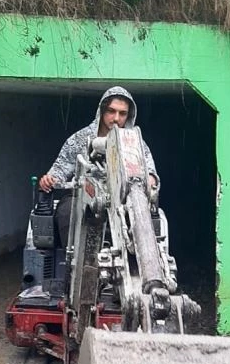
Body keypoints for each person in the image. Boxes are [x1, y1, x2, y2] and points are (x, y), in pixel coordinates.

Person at [39, 86, 159, 247]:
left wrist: (150, 179)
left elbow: (150, 171)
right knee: (67, 212)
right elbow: (60, 169)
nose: (116, 118)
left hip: (124, 200)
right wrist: (50, 179)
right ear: (102, 111)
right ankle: (74, 268)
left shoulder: (136, 144)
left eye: (122, 113)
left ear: (129, 116)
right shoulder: (81, 138)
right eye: (111, 111)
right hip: (82, 196)